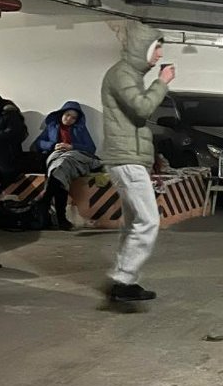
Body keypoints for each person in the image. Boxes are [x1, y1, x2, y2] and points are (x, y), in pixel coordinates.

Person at [100, 22, 175, 303]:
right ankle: (123, 279)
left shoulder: (129, 74)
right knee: (148, 220)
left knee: (133, 222)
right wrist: (162, 82)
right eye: (157, 49)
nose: (160, 55)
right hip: (125, 158)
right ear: (142, 48)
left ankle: (124, 279)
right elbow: (142, 108)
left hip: (130, 158)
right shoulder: (121, 74)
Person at [32, 101, 101, 231]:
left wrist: (72, 146)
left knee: (61, 166)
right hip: (55, 155)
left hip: (73, 156)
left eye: (73, 118)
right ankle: (61, 218)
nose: (69, 119)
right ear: (61, 114)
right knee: (59, 170)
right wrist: (53, 146)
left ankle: (45, 201)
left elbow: (91, 148)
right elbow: (38, 143)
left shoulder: (80, 129)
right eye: (67, 115)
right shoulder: (52, 127)